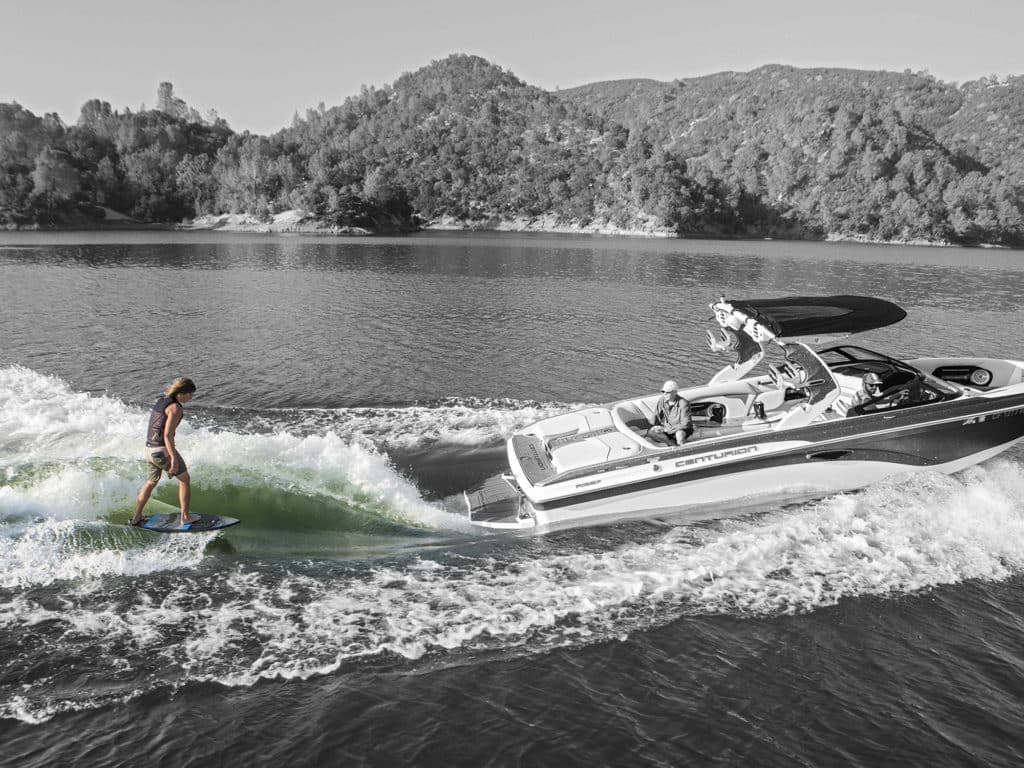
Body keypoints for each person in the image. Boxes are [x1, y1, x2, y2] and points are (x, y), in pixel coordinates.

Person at [129, 377, 200, 527]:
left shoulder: (162, 401)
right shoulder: (175, 408)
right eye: (189, 394)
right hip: (162, 450)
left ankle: (135, 518)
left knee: (151, 482)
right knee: (185, 480)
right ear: (181, 392)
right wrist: (172, 458)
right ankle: (185, 517)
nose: (191, 397)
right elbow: (167, 435)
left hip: (149, 450)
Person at [648, 380, 693, 446]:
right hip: (667, 427)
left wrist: (666, 430)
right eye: (663, 392)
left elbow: (685, 424)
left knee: (679, 434)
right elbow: (656, 415)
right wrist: (653, 427)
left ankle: (681, 448)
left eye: (667, 392)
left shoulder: (683, 403)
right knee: (651, 432)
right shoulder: (662, 400)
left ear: (675, 392)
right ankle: (671, 444)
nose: (664, 394)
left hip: (681, 429)